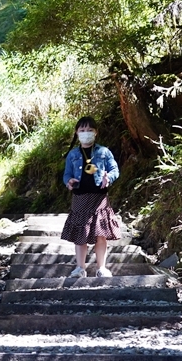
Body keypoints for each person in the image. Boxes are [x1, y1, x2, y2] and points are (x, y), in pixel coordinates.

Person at [60, 116, 123, 277]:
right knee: (80, 235)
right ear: (77, 132)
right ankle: (80, 268)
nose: (86, 133)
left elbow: (115, 170)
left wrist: (109, 177)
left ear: (96, 132)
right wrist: (69, 181)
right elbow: (66, 174)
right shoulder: (72, 154)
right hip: (80, 197)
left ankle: (101, 268)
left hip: (99, 199)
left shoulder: (104, 152)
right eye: (82, 130)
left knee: (100, 234)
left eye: (89, 130)